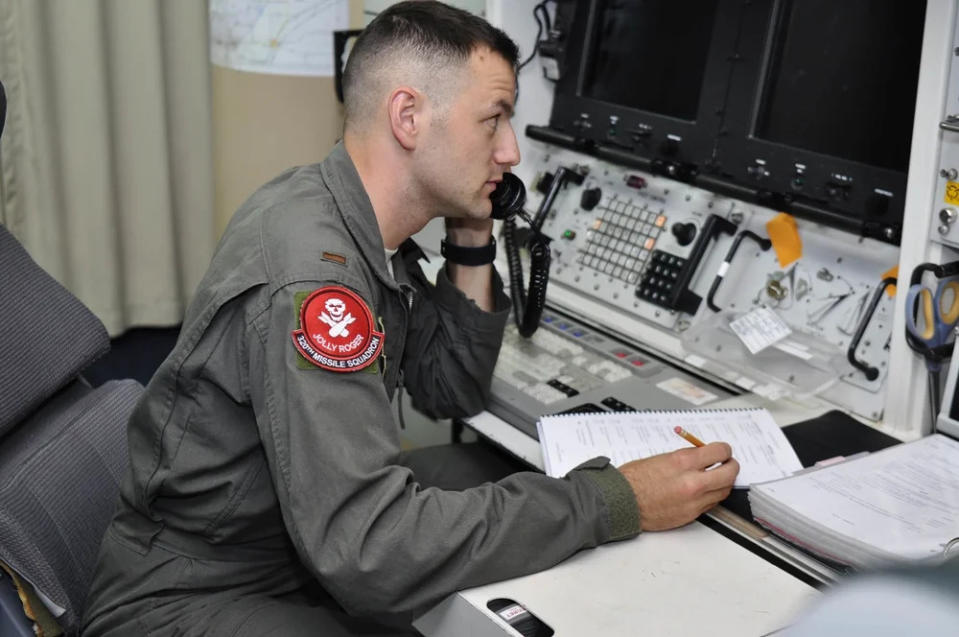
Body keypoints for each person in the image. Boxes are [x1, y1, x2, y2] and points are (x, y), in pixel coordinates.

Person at [81, 2, 739, 635]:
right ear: (408, 117)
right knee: (556, 516)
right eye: (494, 119)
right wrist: (612, 500)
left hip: (283, 545)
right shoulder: (317, 274)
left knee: (494, 478)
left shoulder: (359, 226)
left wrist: (473, 232)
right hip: (189, 594)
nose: (510, 152)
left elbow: (450, 387)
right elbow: (369, 550)